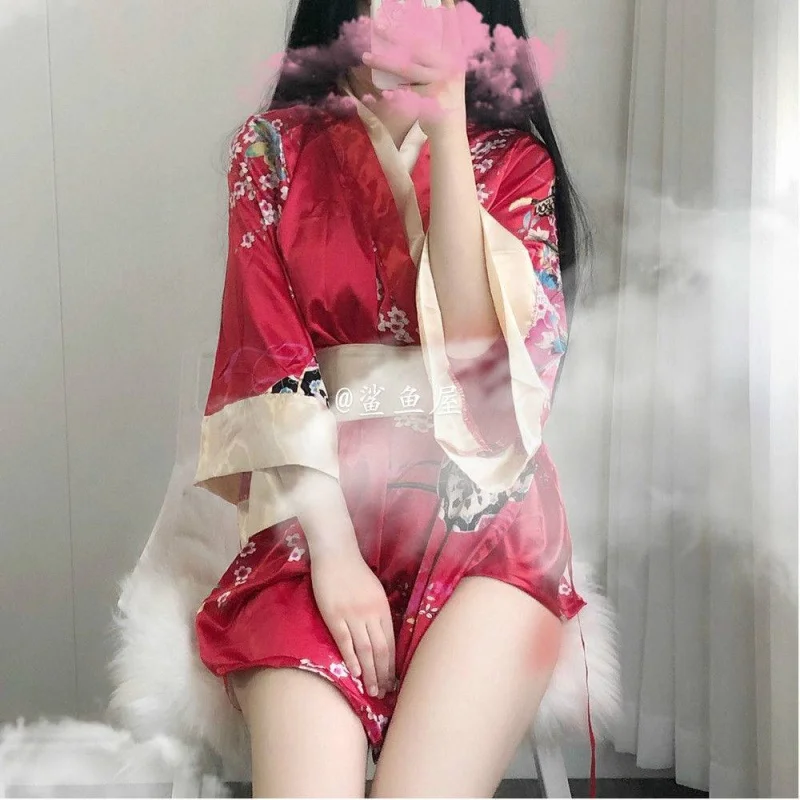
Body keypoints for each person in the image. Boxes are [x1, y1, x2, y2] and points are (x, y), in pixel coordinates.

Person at [193, 0, 594, 796]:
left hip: (487, 518)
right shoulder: (271, 150)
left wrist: (446, 126)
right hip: (316, 518)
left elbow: (482, 367)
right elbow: (269, 361)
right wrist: (335, 558)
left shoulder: (515, 162)